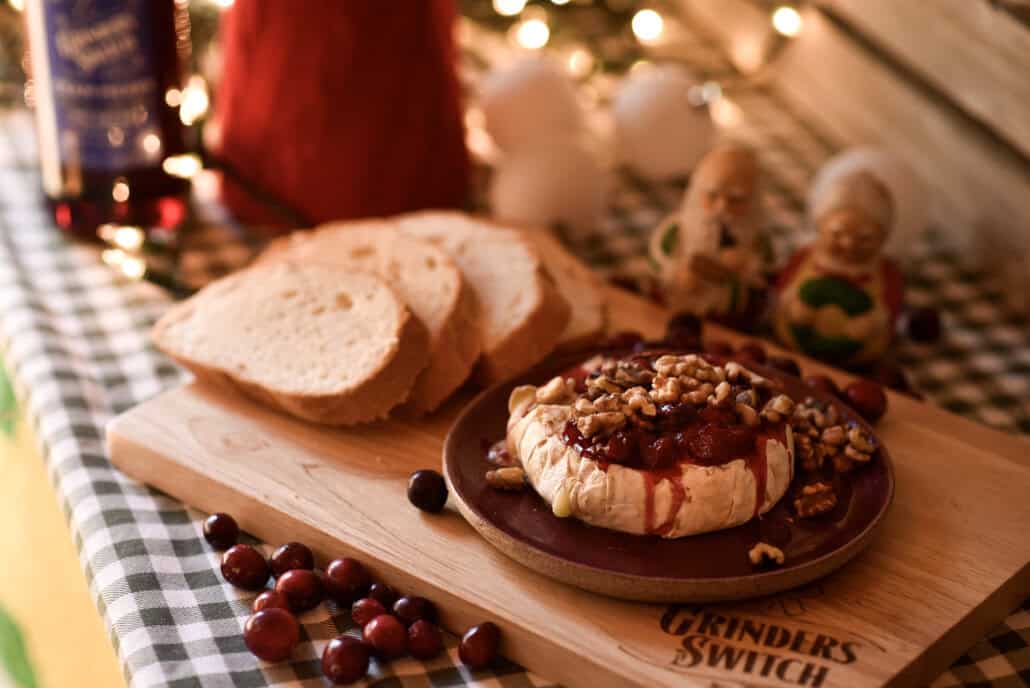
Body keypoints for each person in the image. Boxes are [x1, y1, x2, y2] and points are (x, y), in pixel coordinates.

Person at [774, 170, 903, 366]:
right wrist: (793, 306)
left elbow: (891, 314)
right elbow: (780, 290)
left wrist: (872, 323)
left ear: (883, 238)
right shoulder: (804, 257)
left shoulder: (888, 274)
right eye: (837, 234)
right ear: (820, 226)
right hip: (790, 352)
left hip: (856, 365)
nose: (849, 244)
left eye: (865, 238)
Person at [649, 145, 768, 326]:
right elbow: (658, 259)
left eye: (735, 199)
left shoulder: (757, 240)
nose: (722, 207)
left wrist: (748, 266)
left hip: (727, 322)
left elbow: (767, 276)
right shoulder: (676, 230)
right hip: (675, 311)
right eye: (712, 195)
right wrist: (675, 273)